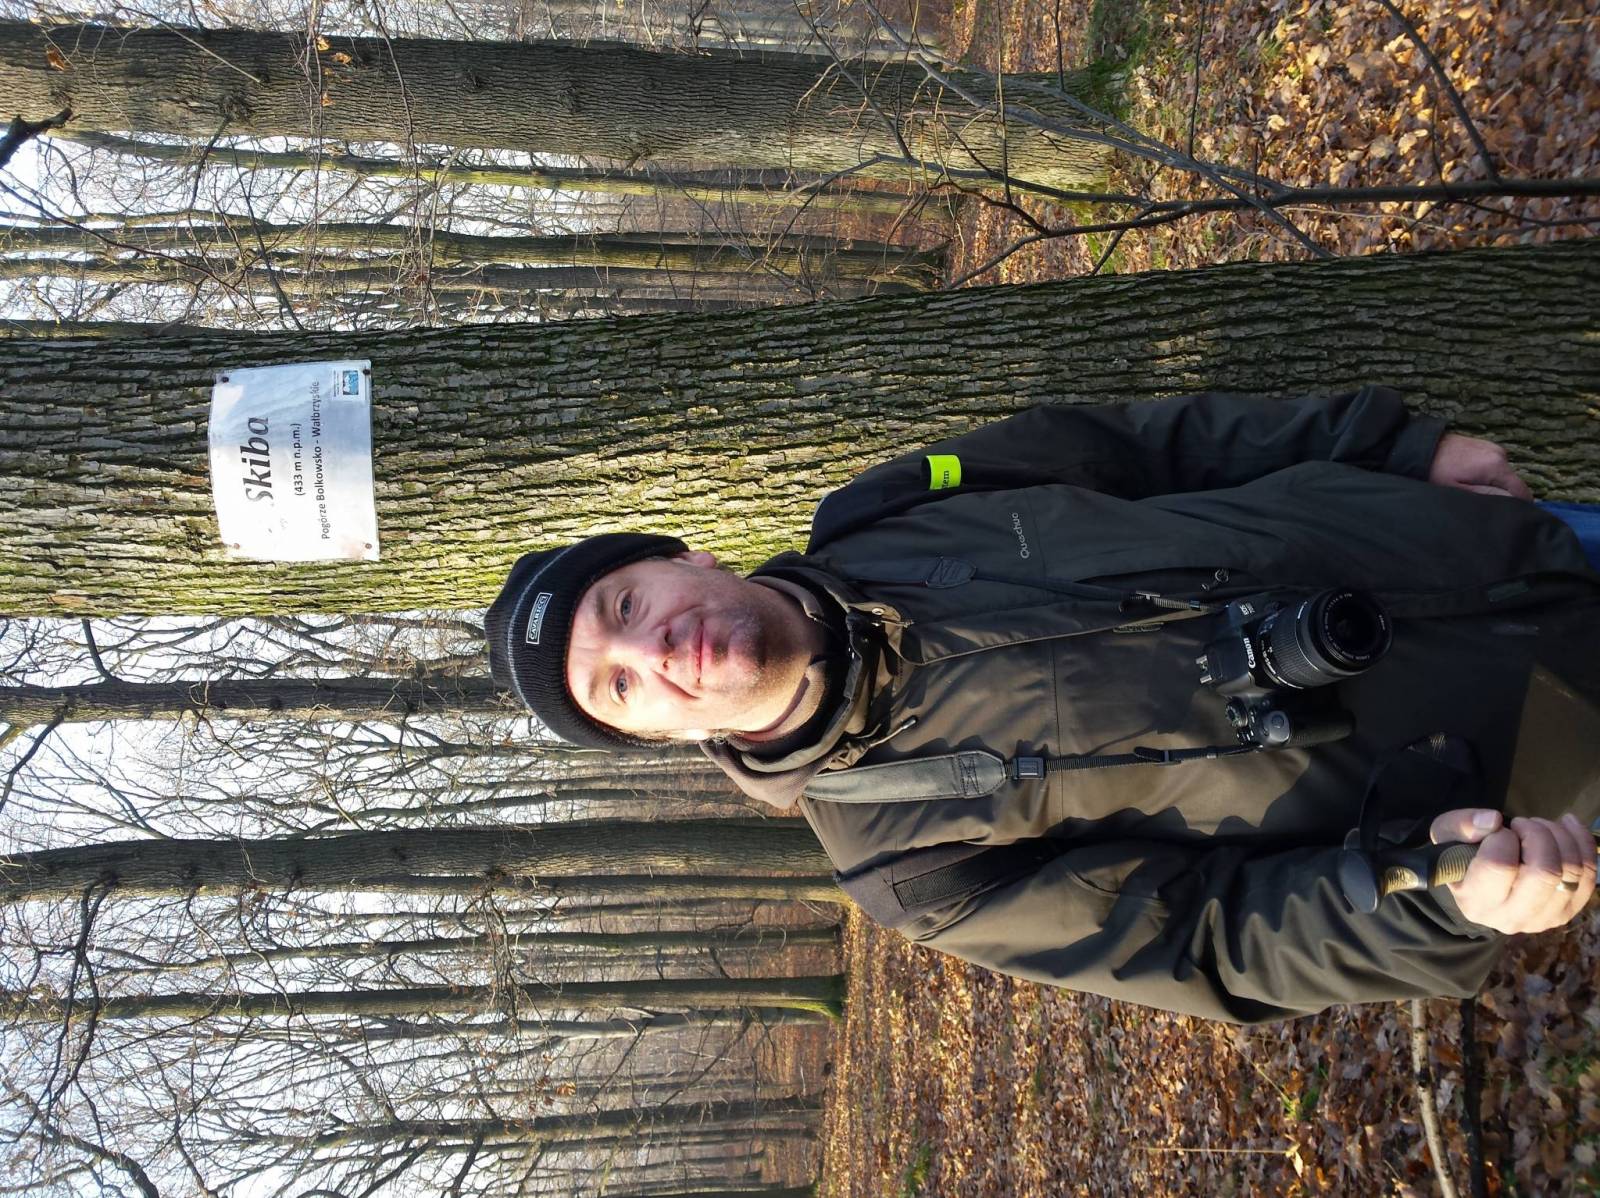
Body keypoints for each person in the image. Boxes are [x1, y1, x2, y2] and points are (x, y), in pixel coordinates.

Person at [486, 388, 1600, 1023]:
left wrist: (1394, 445)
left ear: (685, 556)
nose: (653, 649)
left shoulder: (883, 509)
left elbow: (1143, 447)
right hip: (1549, 759)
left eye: (625, 602)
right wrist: (1444, 900)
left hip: (1511, 543)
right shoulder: (905, 864)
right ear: (663, 735)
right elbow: (1208, 943)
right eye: (618, 685)